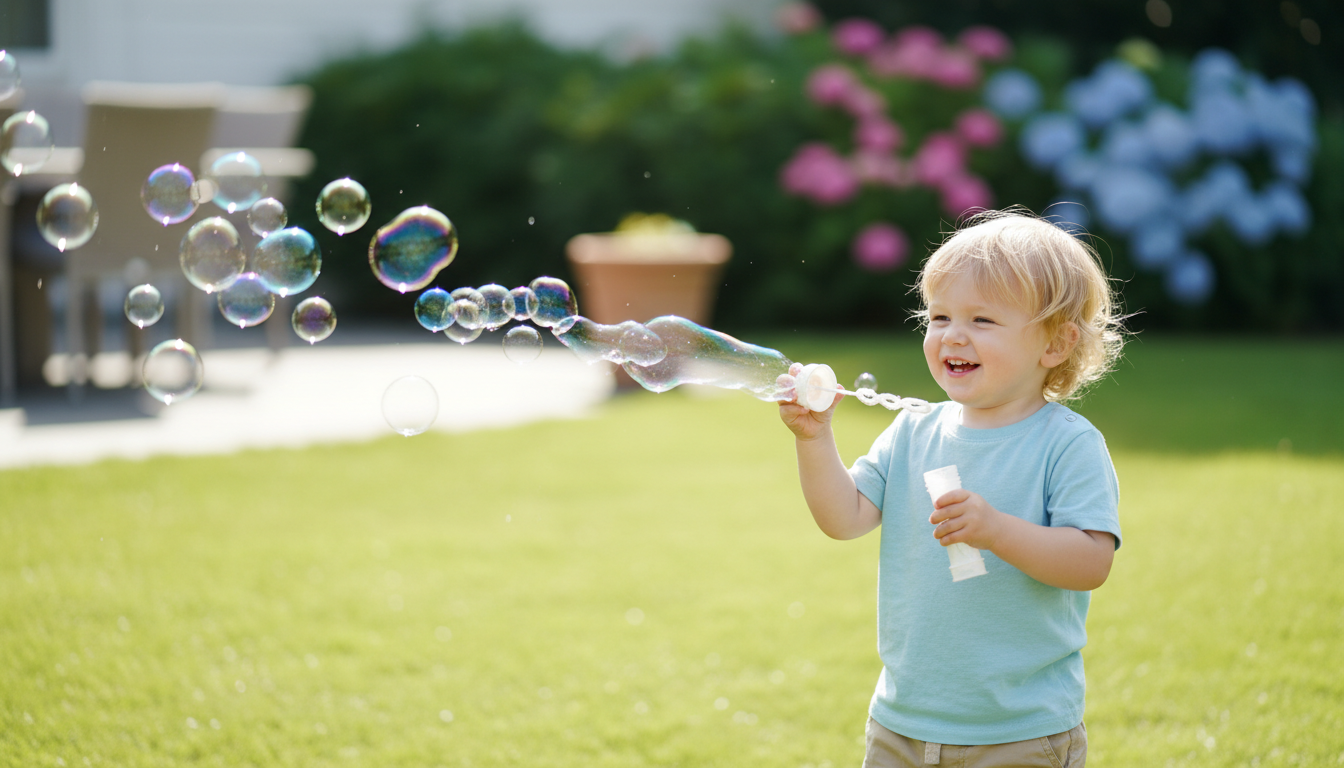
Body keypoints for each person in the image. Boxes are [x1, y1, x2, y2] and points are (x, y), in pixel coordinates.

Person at [779, 210, 1124, 767]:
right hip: (903, 721)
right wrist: (814, 439)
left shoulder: (1067, 444)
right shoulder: (914, 429)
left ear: (1056, 344)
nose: (952, 335)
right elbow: (844, 519)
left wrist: (998, 530)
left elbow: (1090, 563)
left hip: (1017, 730)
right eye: (939, 316)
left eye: (983, 320)